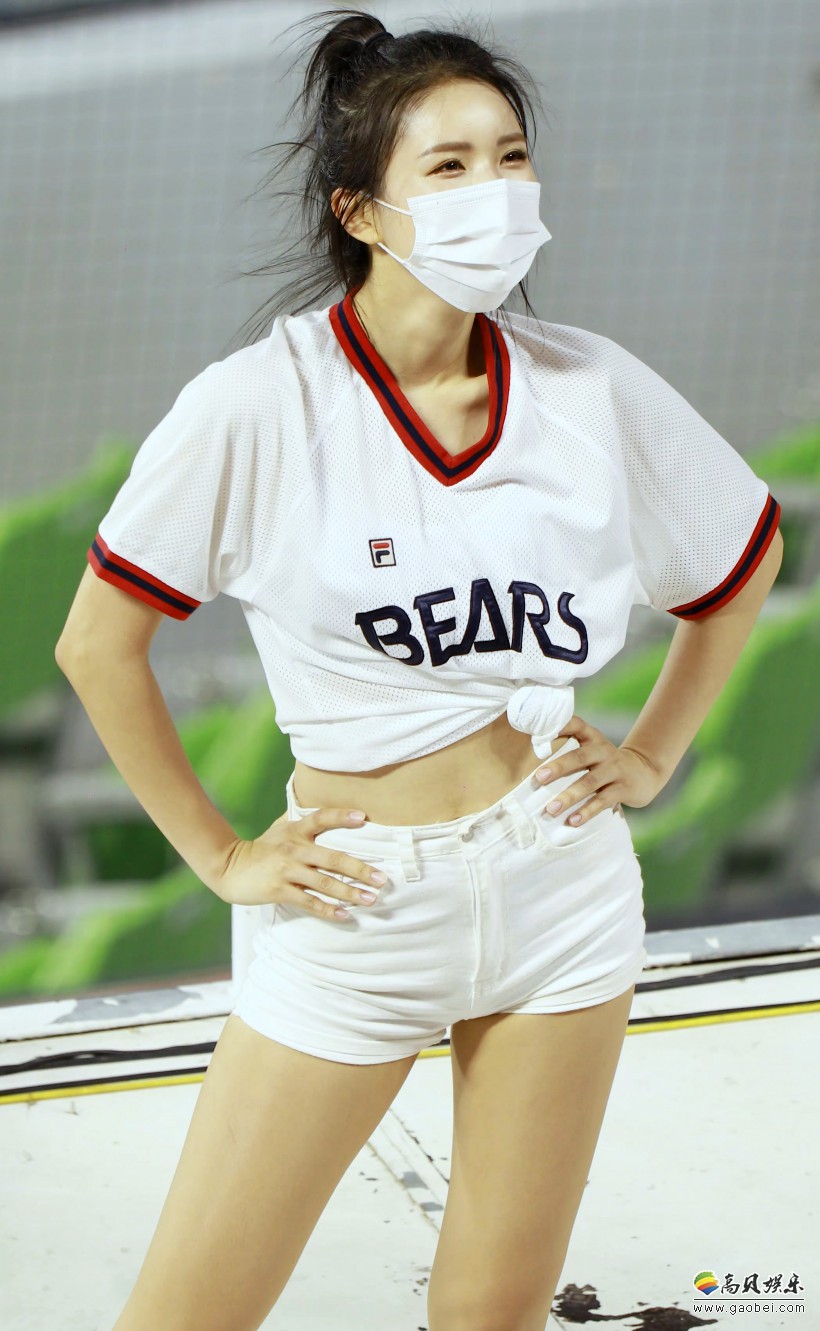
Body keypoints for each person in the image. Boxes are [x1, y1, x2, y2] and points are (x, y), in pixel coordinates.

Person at [55, 9, 783, 1331]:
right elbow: (97, 644)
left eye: (511, 156)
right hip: (359, 910)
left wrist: (651, 756)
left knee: (491, 1319)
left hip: (561, 885)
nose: (494, 189)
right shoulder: (259, 403)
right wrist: (224, 858)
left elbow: (739, 565)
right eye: (448, 166)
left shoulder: (588, 386)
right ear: (362, 210)